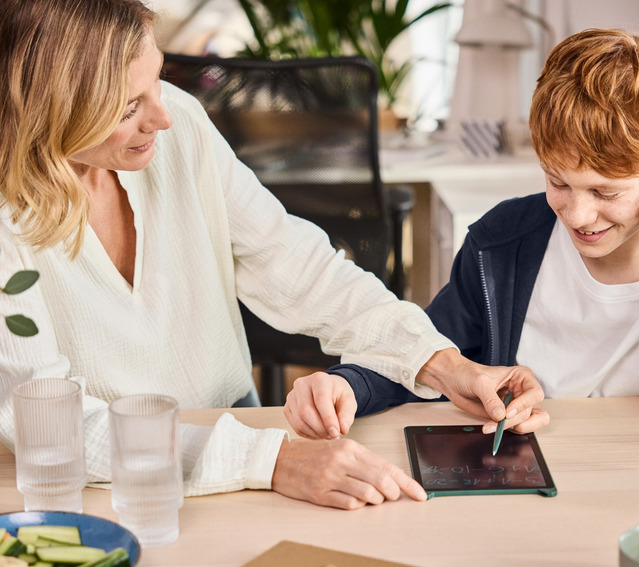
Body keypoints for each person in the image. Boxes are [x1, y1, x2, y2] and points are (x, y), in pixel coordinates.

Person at [0, 0, 548, 510]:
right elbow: (52, 430)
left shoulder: (182, 127)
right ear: (48, 113)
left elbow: (300, 267)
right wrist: (271, 459)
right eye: (126, 109)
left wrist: (443, 364)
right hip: (110, 488)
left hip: (238, 442)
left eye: (158, 81)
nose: (162, 118)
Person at [285, 28, 639, 439]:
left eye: (606, 192)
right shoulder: (502, 242)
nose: (579, 215)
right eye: (558, 182)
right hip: (527, 473)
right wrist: (347, 385)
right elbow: (428, 353)